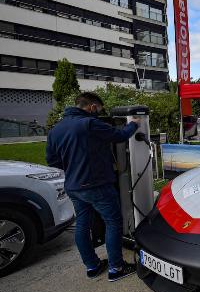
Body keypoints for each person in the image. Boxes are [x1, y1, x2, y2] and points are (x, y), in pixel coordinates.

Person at [46, 92, 140, 281]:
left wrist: (75, 166)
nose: (99, 112)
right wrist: (135, 124)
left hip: (73, 186)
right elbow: (120, 135)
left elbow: (52, 160)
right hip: (97, 185)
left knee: (82, 224)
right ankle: (116, 268)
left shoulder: (56, 130)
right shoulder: (89, 123)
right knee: (112, 222)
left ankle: (92, 266)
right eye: (99, 109)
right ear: (91, 107)